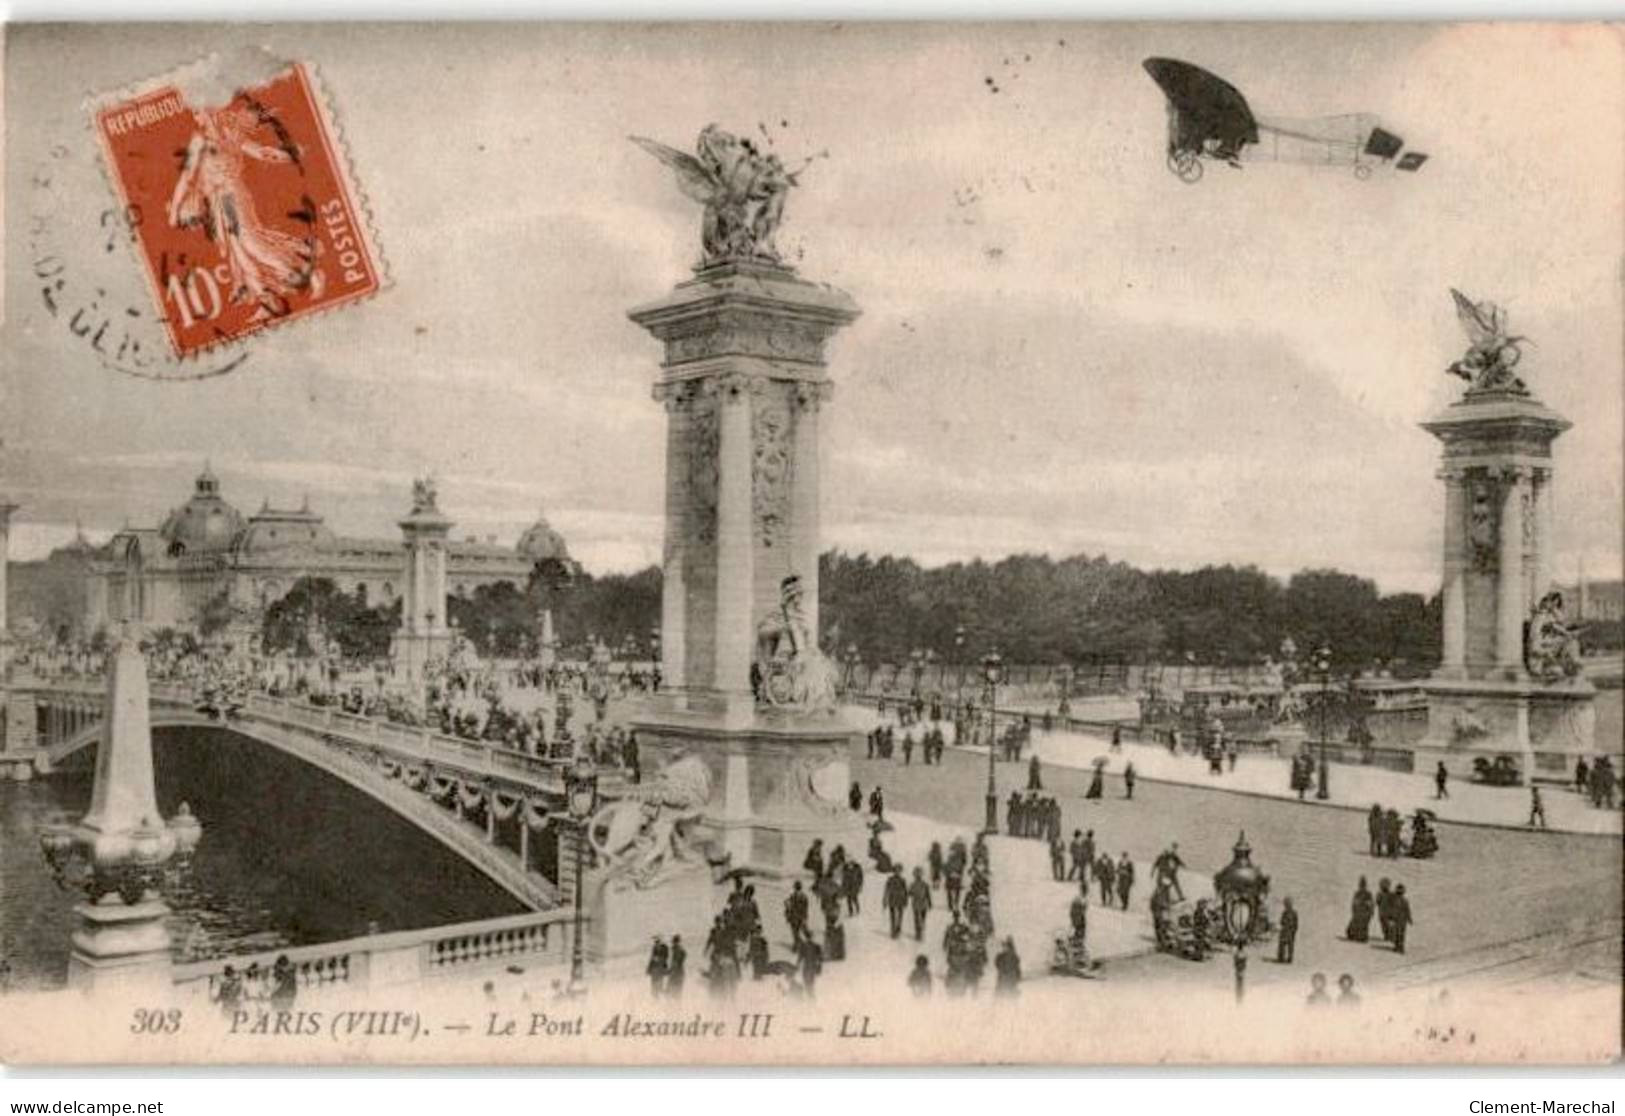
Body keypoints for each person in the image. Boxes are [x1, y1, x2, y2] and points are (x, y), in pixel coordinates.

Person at [909, 866, 934, 941]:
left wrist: (930, 903)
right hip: (916, 904)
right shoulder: (912, 884)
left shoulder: (925, 885)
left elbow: (928, 894)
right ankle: (918, 933)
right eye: (917, 875)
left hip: (923, 904)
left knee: (922, 919)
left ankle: (921, 932)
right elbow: (909, 893)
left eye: (919, 875)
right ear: (915, 876)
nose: (918, 876)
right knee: (917, 919)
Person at [1346, 877, 1374, 942]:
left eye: (1363, 885)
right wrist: (1354, 911)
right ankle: (1354, 935)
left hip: (1364, 914)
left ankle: (1361, 937)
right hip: (1358, 913)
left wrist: (1370, 912)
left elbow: (1370, 904)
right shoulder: (1357, 893)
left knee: (1363, 925)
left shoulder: (1368, 894)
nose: (1362, 886)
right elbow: (1354, 904)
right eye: (1361, 885)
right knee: (1354, 925)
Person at [883, 868, 908, 938]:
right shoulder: (890, 880)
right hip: (892, 900)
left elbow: (905, 891)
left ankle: (898, 929)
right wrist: (885, 900)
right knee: (892, 917)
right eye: (896, 871)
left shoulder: (903, 880)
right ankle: (893, 931)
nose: (898, 872)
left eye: (899, 871)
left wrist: (906, 900)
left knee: (900, 916)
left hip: (900, 900)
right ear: (894, 872)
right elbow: (886, 890)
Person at [785, 881, 811, 947]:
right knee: (798, 931)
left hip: (796, 917)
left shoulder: (794, 896)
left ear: (795, 888)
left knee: (796, 932)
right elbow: (806, 907)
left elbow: (790, 906)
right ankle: (798, 944)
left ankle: (799, 945)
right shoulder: (803, 896)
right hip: (799, 917)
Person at [1390, 884, 1413, 953]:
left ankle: (1399, 947)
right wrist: (1409, 919)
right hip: (1400, 920)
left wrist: (1409, 918)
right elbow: (1407, 910)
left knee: (1399, 933)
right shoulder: (1403, 900)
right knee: (1399, 933)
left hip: (1399, 920)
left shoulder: (1398, 900)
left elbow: (1407, 910)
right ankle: (1399, 947)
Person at [1277, 897, 1298, 963]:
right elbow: (1281, 921)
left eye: (1288, 904)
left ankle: (1289, 958)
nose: (1287, 906)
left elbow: (1296, 922)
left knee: (1290, 945)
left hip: (1290, 931)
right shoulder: (1285, 913)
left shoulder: (1294, 913)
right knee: (1282, 944)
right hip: (1285, 930)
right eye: (1286, 904)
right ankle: (1281, 957)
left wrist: (1294, 930)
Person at [1375, 878, 1395, 945]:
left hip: (1385, 912)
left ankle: (1389, 936)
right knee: (1385, 924)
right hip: (1384, 912)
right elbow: (1377, 902)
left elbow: (1378, 902)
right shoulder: (1381, 894)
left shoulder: (1389, 894)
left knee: (1387, 924)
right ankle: (1387, 935)